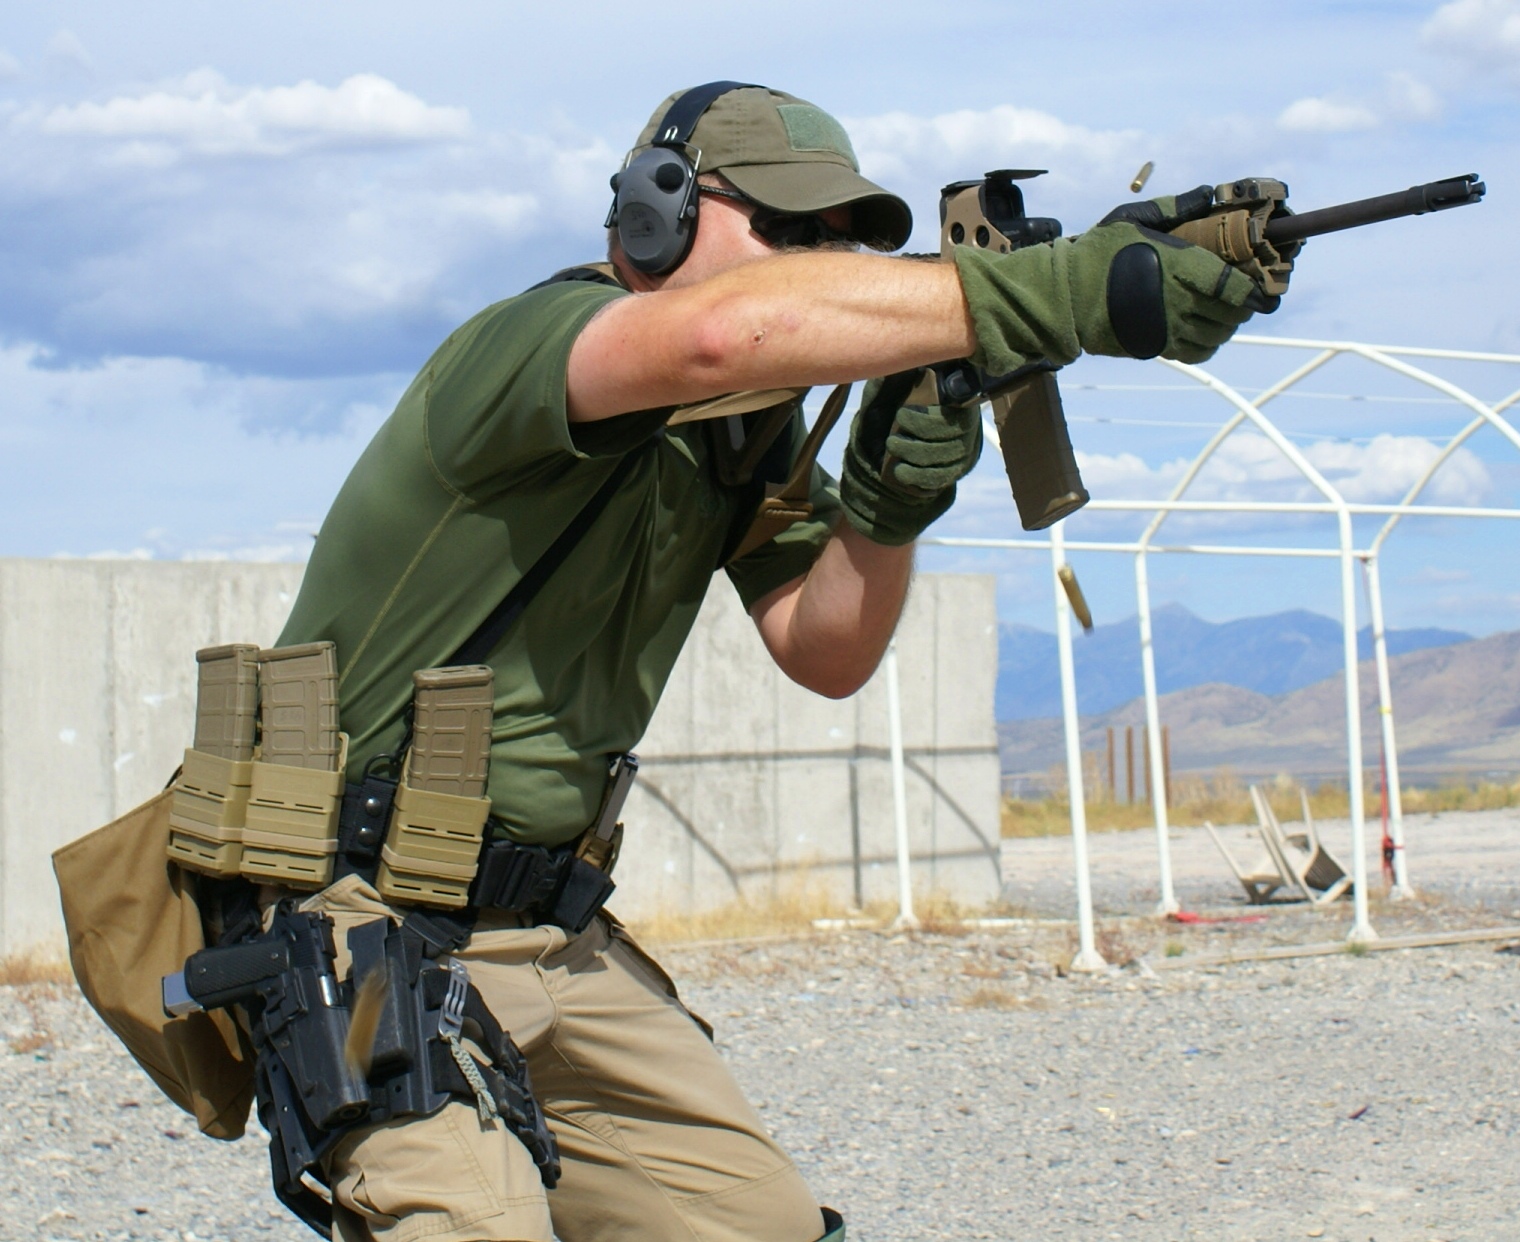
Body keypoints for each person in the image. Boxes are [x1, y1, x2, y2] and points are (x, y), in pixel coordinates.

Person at [267, 82, 1279, 1242]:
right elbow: (718, 333)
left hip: (542, 928)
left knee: (763, 1226)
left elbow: (826, 646)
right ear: (655, 213)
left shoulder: (737, 433)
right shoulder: (534, 341)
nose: (823, 261)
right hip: (357, 914)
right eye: (793, 229)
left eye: (841, 241)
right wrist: (1056, 290)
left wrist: (892, 505)